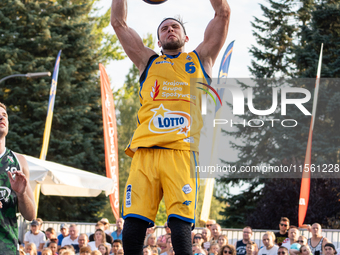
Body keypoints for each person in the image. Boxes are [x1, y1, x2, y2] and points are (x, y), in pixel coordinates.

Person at [110, 0, 230, 254]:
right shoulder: (148, 62)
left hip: (181, 153)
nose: (169, 30)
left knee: (180, 229)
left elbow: (223, 12)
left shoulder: (201, 58)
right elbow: (118, 24)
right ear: (158, 41)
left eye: (174, 26)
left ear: (186, 36)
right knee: (132, 229)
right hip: (145, 152)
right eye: (164, 29)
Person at [0, 102, 36, 254]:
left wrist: (21, 195)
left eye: (4, 115)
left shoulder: (19, 162)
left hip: (7, 247)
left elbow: (31, 215)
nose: (2, 117)